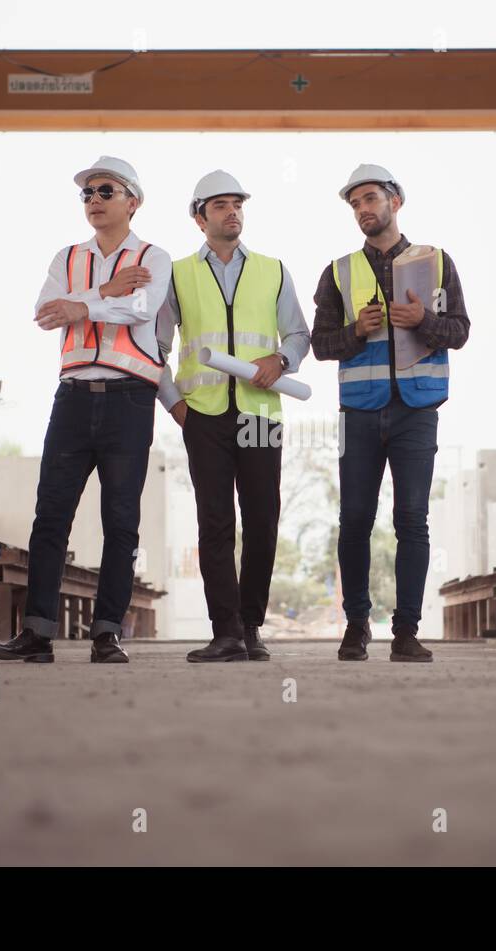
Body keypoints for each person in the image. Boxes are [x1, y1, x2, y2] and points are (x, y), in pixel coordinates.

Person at [0, 156, 172, 665]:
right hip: (71, 397)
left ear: (133, 201)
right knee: (50, 518)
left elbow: (142, 311)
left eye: (105, 191)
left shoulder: (155, 258)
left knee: (121, 520)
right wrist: (105, 293)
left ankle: (107, 633)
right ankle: (38, 634)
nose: (93, 200)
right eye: (87, 193)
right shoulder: (65, 256)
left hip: (130, 400)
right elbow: (46, 313)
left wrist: (82, 304)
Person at [311, 164, 470, 663]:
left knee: (411, 519)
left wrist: (425, 320)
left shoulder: (438, 263)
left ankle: (406, 631)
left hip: (417, 409)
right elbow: (319, 345)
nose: (363, 209)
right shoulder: (338, 272)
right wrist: (356, 331)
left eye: (371, 199)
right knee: (354, 519)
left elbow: (460, 332)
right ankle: (357, 626)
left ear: (395, 202)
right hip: (359, 412)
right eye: (355, 203)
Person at [157, 170, 310, 662]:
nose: (232, 212)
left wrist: (281, 361)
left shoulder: (273, 269)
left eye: (237, 204)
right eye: (220, 205)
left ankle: (250, 627)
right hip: (203, 414)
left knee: (263, 518)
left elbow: (297, 336)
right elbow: (154, 347)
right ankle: (225, 631)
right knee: (215, 523)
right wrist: (176, 406)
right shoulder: (177, 274)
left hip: (260, 413)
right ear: (199, 218)